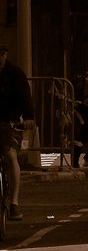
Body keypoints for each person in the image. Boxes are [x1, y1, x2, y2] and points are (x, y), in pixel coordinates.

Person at [0, 44, 35, 220]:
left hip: (10, 123)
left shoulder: (15, 74)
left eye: (1, 54)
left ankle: (14, 203)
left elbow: (25, 97)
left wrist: (28, 117)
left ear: (5, 55)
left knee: (10, 155)